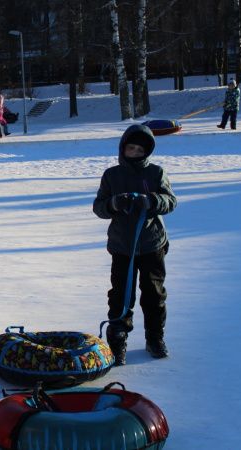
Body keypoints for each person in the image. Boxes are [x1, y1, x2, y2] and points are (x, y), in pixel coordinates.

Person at [92, 124, 177, 366]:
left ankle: (155, 338)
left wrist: (151, 201)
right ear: (123, 148)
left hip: (152, 245)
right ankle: (118, 342)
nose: (135, 152)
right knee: (120, 295)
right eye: (131, 148)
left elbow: (171, 201)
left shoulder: (156, 173)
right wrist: (115, 204)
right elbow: (99, 207)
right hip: (122, 247)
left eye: (140, 149)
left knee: (154, 294)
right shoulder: (112, 175)